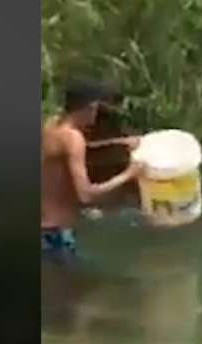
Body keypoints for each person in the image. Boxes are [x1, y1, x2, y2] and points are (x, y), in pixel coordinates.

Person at [41, 81, 142, 256]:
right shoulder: (74, 139)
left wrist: (117, 143)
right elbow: (85, 195)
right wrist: (128, 175)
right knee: (70, 282)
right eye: (97, 107)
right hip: (57, 233)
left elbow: (71, 150)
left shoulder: (51, 126)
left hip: (44, 225)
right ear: (90, 107)